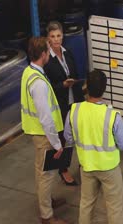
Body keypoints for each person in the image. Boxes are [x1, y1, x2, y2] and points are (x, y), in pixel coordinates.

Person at [64, 70, 123, 224]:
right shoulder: (112, 116)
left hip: (86, 167)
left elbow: (68, 138)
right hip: (109, 168)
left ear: (86, 88)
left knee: (86, 203)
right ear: (104, 90)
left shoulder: (74, 110)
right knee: (113, 206)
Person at [21, 36, 70, 224]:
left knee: (42, 171)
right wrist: (57, 143)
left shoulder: (29, 71)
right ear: (43, 54)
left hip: (38, 132)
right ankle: (47, 214)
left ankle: (47, 201)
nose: (50, 54)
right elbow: (46, 118)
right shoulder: (39, 83)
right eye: (48, 51)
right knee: (46, 174)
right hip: (44, 135)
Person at [44, 21, 85, 186]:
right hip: (60, 105)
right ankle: (63, 169)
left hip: (74, 101)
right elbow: (46, 88)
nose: (56, 39)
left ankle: (84, 162)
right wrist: (62, 85)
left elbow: (75, 73)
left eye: (59, 35)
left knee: (79, 134)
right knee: (62, 139)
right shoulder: (47, 61)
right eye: (53, 36)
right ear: (48, 38)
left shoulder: (68, 54)